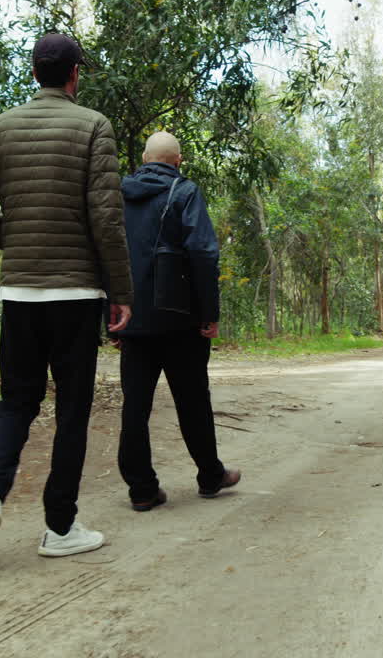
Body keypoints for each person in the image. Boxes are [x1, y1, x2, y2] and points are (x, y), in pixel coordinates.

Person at [0, 34, 133, 557]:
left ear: (35, 72)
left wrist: (15, 237)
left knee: (16, 403)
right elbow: (106, 217)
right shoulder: (94, 126)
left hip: (21, 295)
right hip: (75, 295)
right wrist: (120, 292)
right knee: (72, 411)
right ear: (75, 73)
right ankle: (59, 529)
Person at [112, 131, 240, 512]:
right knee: (192, 400)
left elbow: (105, 252)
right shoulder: (185, 192)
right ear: (178, 161)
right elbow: (203, 253)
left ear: (143, 159)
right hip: (180, 318)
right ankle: (209, 475)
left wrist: (112, 314)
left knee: (135, 405)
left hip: (132, 316)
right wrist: (209, 314)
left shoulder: (117, 195)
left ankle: (141, 489)